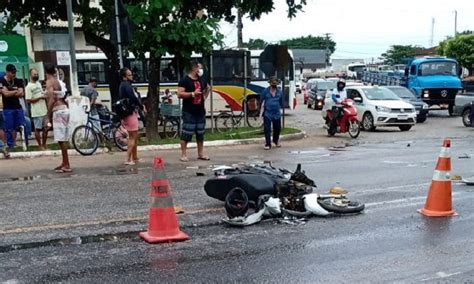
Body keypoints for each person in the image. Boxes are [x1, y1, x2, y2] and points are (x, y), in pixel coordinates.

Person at [177, 61, 210, 162]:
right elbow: (179, 94)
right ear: (194, 68)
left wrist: (205, 93)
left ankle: (200, 154)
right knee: (186, 133)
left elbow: (207, 88)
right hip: (189, 111)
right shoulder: (184, 80)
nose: (201, 70)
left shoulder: (201, 80)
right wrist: (192, 94)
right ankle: (183, 154)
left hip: (200, 111)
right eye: (199, 68)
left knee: (200, 133)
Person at [45, 63, 72, 173]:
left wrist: (47, 115)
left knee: (61, 139)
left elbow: (51, 99)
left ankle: (67, 164)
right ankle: (64, 162)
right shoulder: (57, 82)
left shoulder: (49, 82)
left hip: (59, 111)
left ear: (46, 72)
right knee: (62, 139)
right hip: (64, 109)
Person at [119, 67, 145, 166]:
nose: (131, 76)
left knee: (134, 136)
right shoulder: (127, 86)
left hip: (128, 113)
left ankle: (135, 157)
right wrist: (141, 106)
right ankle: (128, 159)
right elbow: (133, 98)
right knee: (132, 137)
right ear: (124, 76)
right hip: (130, 113)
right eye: (129, 75)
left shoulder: (123, 85)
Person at [0, 64, 25, 150]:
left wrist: (10, 91)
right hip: (7, 108)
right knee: (8, 127)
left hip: (17, 107)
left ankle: (18, 144)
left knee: (19, 126)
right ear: (7, 72)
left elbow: (22, 93)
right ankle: (9, 145)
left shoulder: (17, 80)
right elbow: (5, 94)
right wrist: (15, 91)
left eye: (14, 72)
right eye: (12, 72)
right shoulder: (1, 80)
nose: (14, 74)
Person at [25, 68, 49, 150]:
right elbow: (28, 100)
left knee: (46, 128)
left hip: (44, 110)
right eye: (34, 74)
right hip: (36, 111)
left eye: (37, 74)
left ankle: (44, 144)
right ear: (30, 75)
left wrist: (44, 94)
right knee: (37, 129)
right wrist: (40, 97)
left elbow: (42, 94)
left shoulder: (38, 84)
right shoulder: (28, 87)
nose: (36, 76)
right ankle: (39, 145)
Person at [260, 76, 283, 150]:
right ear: (270, 84)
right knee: (267, 129)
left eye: (275, 84)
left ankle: (275, 140)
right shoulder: (265, 91)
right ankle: (268, 143)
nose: (274, 85)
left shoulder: (279, 92)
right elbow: (261, 100)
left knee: (277, 128)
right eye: (273, 83)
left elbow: (281, 102)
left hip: (276, 113)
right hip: (267, 113)